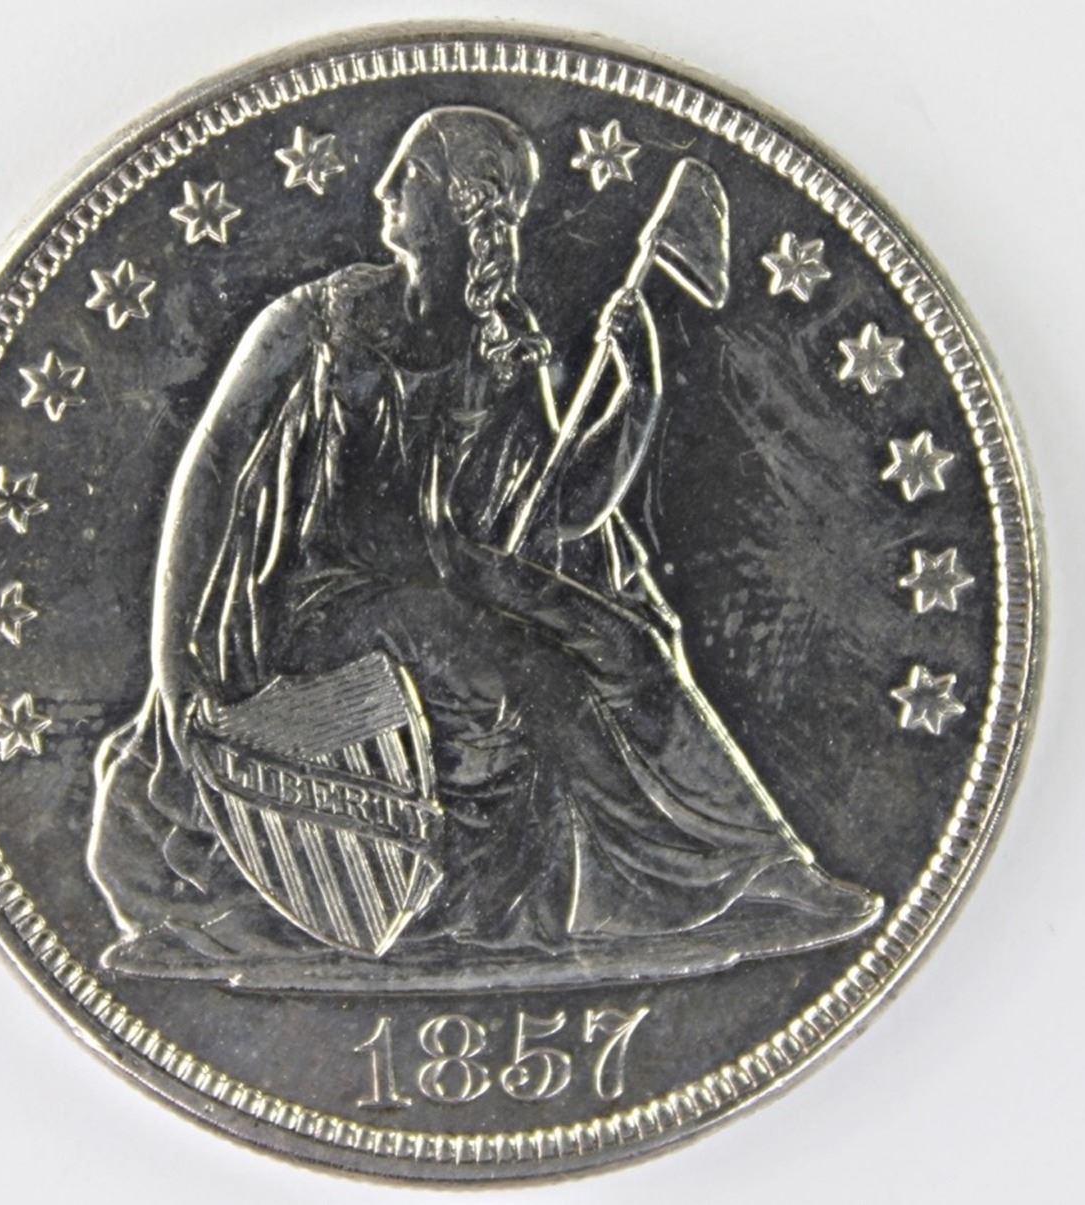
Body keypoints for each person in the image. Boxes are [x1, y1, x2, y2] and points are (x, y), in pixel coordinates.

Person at [88, 106, 882, 986]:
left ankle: (761, 871)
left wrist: (637, 396)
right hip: (330, 604)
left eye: (409, 175)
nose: (383, 190)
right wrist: (175, 668)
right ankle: (588, 897)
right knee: (513, 671)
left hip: (461, 575)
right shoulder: (313, 322)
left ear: (464, 206)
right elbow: (211, 474)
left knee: (627, 645)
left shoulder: (500, 342)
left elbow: (563, 510)